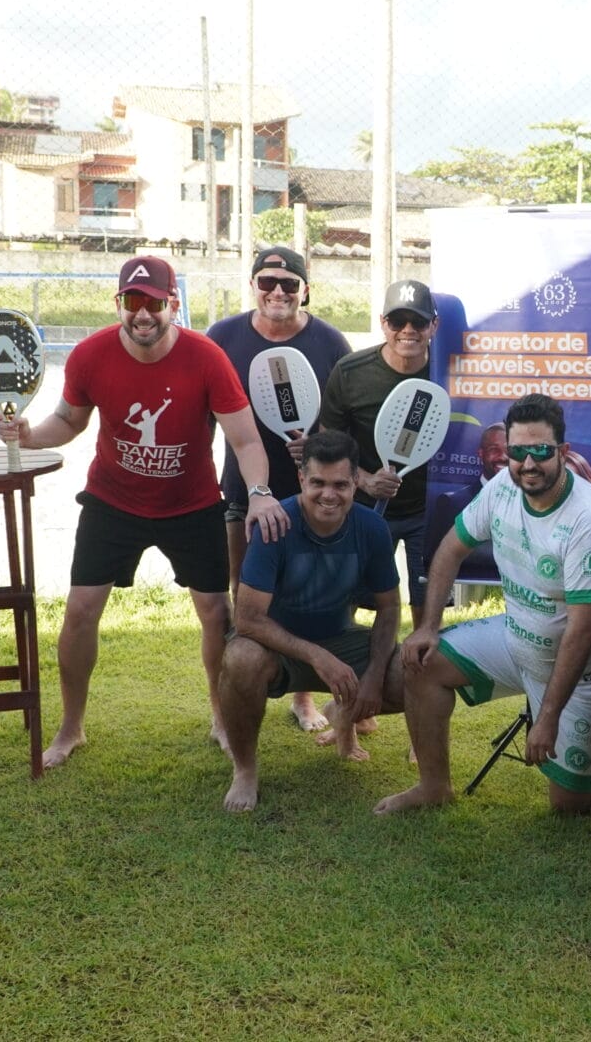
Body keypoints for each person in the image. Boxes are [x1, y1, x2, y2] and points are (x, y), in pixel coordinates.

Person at [0, 254, 289, 769]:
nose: (143, 314)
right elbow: (68, 420)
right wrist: (28, 436)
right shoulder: (91, 355)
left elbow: (245, 439)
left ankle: (222, 719)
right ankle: (71, 729)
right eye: (133, 302)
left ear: (172, 304)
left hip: (191, 504)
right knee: (81, 610)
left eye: (154, 302)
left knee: (216, 612)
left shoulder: (206, 358)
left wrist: (260, 491)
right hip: (113, 501)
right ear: (119, 305)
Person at [373, 392, 591, 816]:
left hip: (579, 672)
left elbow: (582, 630)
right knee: (419, 664)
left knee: (572, 802)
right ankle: (433, 786)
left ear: (563, 452)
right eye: (519, 451)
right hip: (516, 642)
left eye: (540, 451)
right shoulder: (502, 486)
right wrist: (427, 627)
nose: (528, 463)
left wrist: (547, 716)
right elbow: (449, 549)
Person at [213, 430, 399, 811]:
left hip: (341, 639)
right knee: (239, 658)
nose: (328, 495)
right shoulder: (275, 524)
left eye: (340, 485)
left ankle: (347, 719)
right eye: (317, 483)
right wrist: (317, 656)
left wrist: (375, 676)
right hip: (276, 649)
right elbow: (247, 619)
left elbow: (390, 608)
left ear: (355, 484)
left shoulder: (372, 528)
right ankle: (245, 770)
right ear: (301, 478)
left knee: (415, 668)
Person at [208, 245, 352, 732]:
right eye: (267, 282)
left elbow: (345, 421)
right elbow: (200, 412)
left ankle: (303, 700)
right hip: (242, 495)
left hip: (314, 502)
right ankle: (227, 711)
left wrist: (320, 444)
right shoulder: (223, 337)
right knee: (241, 598)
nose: (277, 292)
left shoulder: (331, 343)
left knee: (304, 599)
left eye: (289, 284)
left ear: (304, 289)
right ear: (252, 286)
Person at [319, 278, 439, 629]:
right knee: (346, 607)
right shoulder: (350, 372)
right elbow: (330, 448)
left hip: (427, 513)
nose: (408, 331)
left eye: (417, 322)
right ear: (382, 321)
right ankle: (330, 677)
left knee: (427, 616)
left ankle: (419, 681)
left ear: (434, 325)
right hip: (365, 511)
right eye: (397, 321)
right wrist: (366, 481)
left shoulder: (450, 374)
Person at [423, 423, 508, 586]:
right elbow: (437, 558)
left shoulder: (528, 503)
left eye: (510, 450)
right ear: (481, 454)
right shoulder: (451, 502)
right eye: (494, 450)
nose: (503, 457)